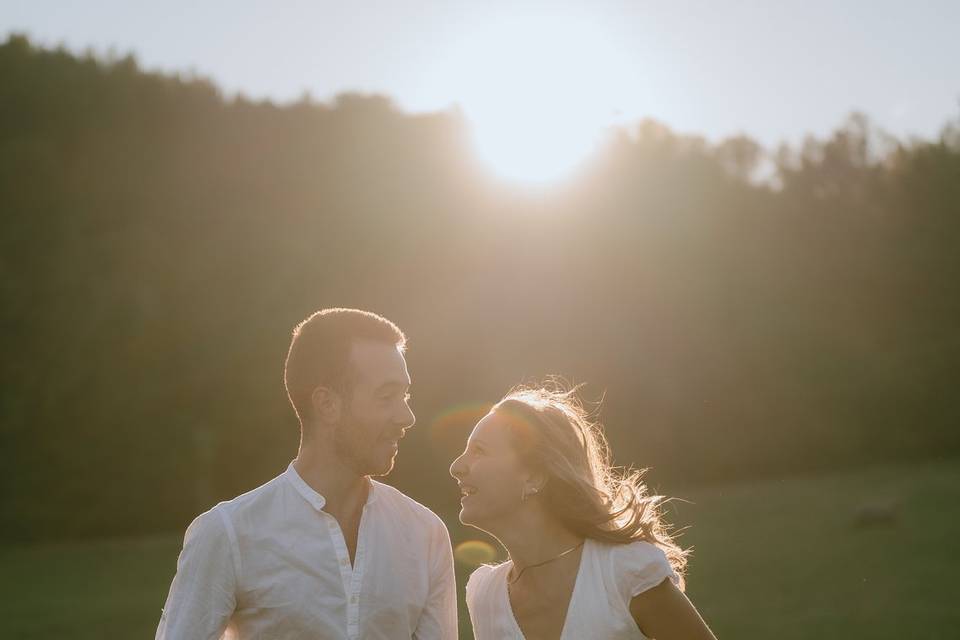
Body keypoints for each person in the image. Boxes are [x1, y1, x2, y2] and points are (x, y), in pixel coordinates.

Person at [157, 308, 457, 640]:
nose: (408, 416)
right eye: (387, 397)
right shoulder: (228, 534)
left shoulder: (426, 534)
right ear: (327, 404)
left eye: (405, 395)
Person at [450, 383, 717, 640]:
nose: (456, 467)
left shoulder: (625, 572)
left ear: (534, 476)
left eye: (479, 451)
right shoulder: (484, 595)